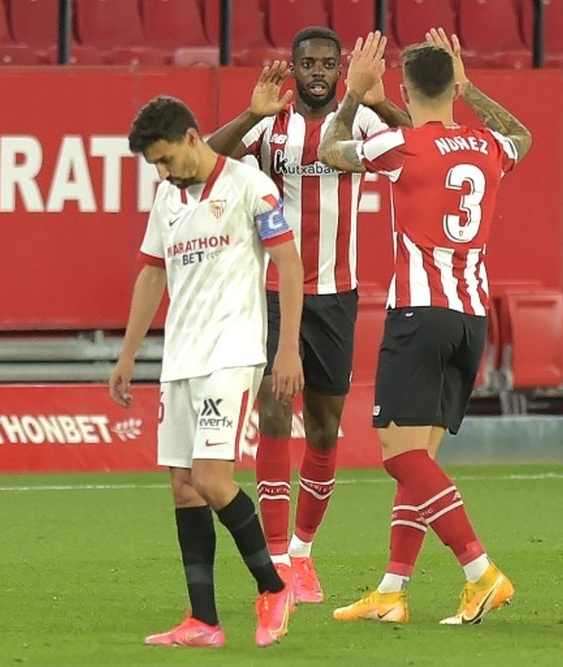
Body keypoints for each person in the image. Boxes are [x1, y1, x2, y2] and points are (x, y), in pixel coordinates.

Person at [317, 29, 533, 625]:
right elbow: (524, 136)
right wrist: (474, 89)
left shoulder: (401, 147)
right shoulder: (488, 145)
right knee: (422, 457)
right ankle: (391, 590)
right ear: (453, 85)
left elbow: (332, 149)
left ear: (406, 89)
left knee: (398, 455)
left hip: (420, 314)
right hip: (471, 318)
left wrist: (356, 94)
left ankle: (480, 571)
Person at [206, 26, 412, 603]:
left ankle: (302, 555)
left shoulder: (361, 124)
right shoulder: (273, 124)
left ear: (340, 69)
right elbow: (208, 159)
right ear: (293, 69)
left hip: (337, 297)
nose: (317, 72)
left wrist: (379, 100)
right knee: (274, 415)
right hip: (271, 291)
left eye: (327, 63)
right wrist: (250, 115)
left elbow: (425, 144)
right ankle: (274, 560)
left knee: (323, 429)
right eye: (308, 63)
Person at [108, 95, 305, 648]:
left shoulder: (248, 186)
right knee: (183, 488)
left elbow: (288, 265)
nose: (163, 171)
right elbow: (151, 276)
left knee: (213, 480)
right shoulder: (167, 200)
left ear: (193, 137)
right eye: (154, 165)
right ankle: (203, 621)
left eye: (167, 158)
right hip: (180, 359)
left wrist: (286, 347)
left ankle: (274, 587)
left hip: (231, 351)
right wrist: (128, 355)